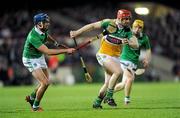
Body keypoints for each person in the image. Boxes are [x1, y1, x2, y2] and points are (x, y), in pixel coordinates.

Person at [70, 9, 139, 108]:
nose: (128, 21)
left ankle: (97, 103)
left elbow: (136, 44)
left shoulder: (127, 30)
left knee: (107, 84)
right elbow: (92, 26)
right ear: (119, 18)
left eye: (129, 19)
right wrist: (77, 32)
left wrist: (128, 42)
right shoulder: (108, 23)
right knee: (118, 72)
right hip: (104, 55)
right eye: (126, 19)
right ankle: (110, 96)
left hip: (115, 58)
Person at [22, 13, 75, 112]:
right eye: (45, 22)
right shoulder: (33, 36)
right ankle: (35, 107)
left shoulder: (43, 31)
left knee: (46, 81)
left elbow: (47, 37)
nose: (47, 24)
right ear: (39, 24)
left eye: (47, 22)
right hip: (30, 59)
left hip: (38, 56)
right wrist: (66, 51)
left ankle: (32, 98)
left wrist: (57, 44)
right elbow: (48, 52)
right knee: (45, 83)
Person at [114, 19, 152, 105]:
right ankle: (127, 99)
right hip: (124, 60)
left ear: (142, 29)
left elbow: (148, 50)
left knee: (123, 84)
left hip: (134, 62)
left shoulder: (145, 38)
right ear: (132, 26)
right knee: (130, 78)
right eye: (135, 27)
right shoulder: (127, 33)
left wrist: (147, 59)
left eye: (140, 28)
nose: (137, 29)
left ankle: (109, 93)